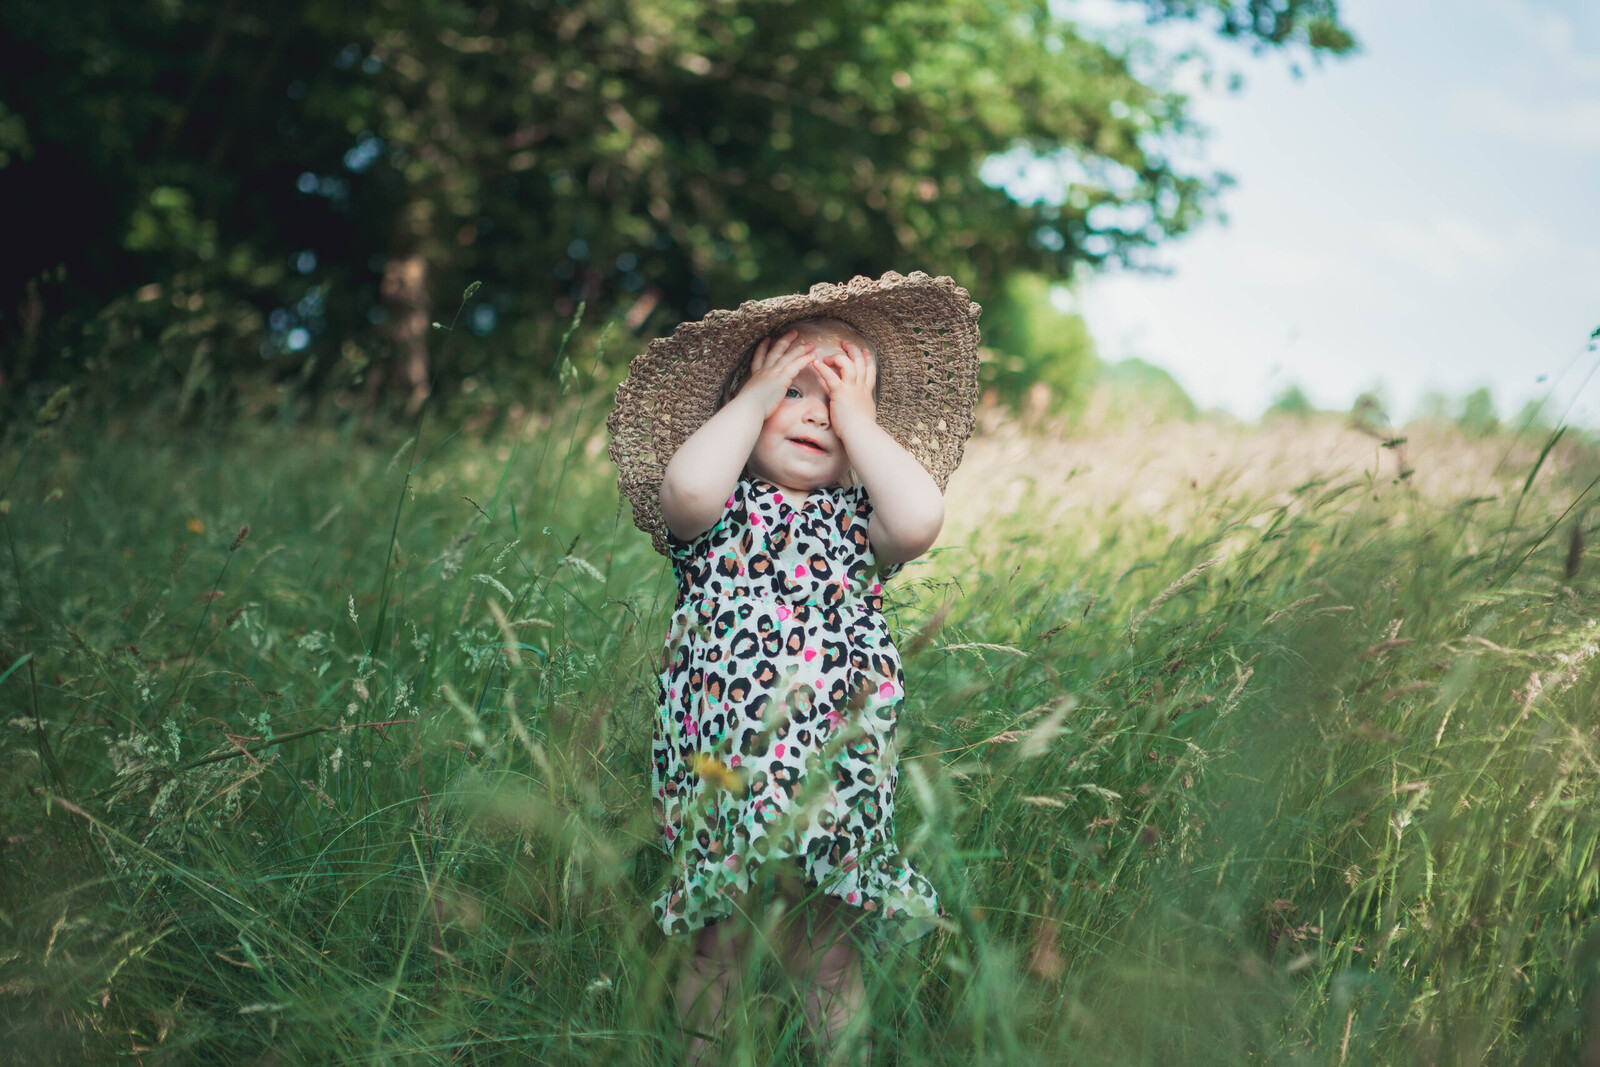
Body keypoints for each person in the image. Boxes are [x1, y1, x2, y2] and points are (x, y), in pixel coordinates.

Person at [606, 271, 982, 1063]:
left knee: (828, 954)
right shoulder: (718, 514)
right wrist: (755, 392)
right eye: (793, 392)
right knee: (717, 947)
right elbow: (685, 485)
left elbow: (921, 518)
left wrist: (861, 420)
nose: (816, 412)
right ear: (738, 415)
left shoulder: (859, 524)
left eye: (835, 402)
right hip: (724, 770)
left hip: (833, 775)